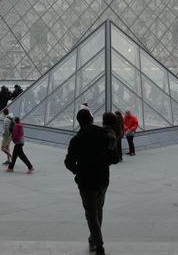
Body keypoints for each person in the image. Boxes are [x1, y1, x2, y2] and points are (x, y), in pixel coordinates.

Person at [64, 108, 118, 255]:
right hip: (102, 179)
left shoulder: (76, 140)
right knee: (98, 211)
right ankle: (93, 239)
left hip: (86, 182)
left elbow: (68, 162)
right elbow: (113, 157)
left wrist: (78, 171)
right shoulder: (104, 135)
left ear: (79, 122)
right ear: (92, 119)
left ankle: (98, 245)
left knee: (91, 214)